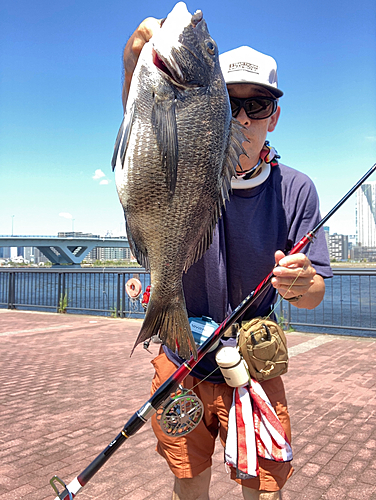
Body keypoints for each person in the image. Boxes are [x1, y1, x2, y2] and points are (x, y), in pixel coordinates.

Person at [121, 18, 332, 500]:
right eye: (232, 104)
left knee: (266, 490)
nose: (242, 119)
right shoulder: (183, 166)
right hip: (181, 362)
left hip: (254, 367)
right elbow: (146, 126)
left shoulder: (296, 189)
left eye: (257, 105)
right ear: (213, 107)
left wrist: (302, 286)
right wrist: (133, 59)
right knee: (187, 481)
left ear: (274, 115)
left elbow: (315, 294)